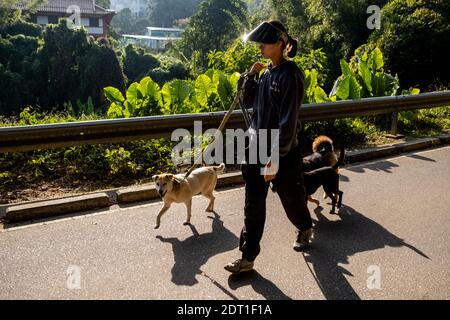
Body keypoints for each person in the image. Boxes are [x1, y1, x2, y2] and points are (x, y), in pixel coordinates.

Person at [225, 20, 313, 274]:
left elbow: (288, 121)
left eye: (265, 43)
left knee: (291, 198)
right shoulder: (266, 73)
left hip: (281, 152)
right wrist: (251, 76)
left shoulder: (291, 75)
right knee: (253, 203)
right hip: (256, 146)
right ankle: (247, 257)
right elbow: (250, 100)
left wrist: (274, 158)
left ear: (279, 44)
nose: (260, 47)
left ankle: (304, 226)